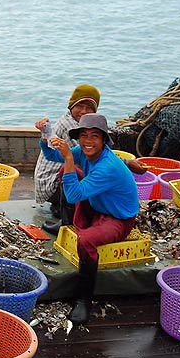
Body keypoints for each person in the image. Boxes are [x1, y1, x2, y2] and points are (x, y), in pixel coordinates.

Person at [41, 113, 139, 324]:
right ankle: (65, 223)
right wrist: (45, 137)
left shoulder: (107, 167)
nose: (88, 141)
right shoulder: (84, 152)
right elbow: (53, 157)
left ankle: (84, 300)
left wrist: (68, 158)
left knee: (85, 241)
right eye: (83, 135)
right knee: (65, 171)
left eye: (95, 136)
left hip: (118, 219)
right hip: (97, 204)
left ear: (104, 140)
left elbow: (74, 195)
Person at [34, 84, 100, 233]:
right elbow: (89, 158)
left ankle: (62, 207)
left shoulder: (82, 124)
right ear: (71, 106)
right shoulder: (72, 127)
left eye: (88, 108)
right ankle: (68, 221)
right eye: (79, 106)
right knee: (87, 178)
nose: (83, 111)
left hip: (52, 181)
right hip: (51, 184)